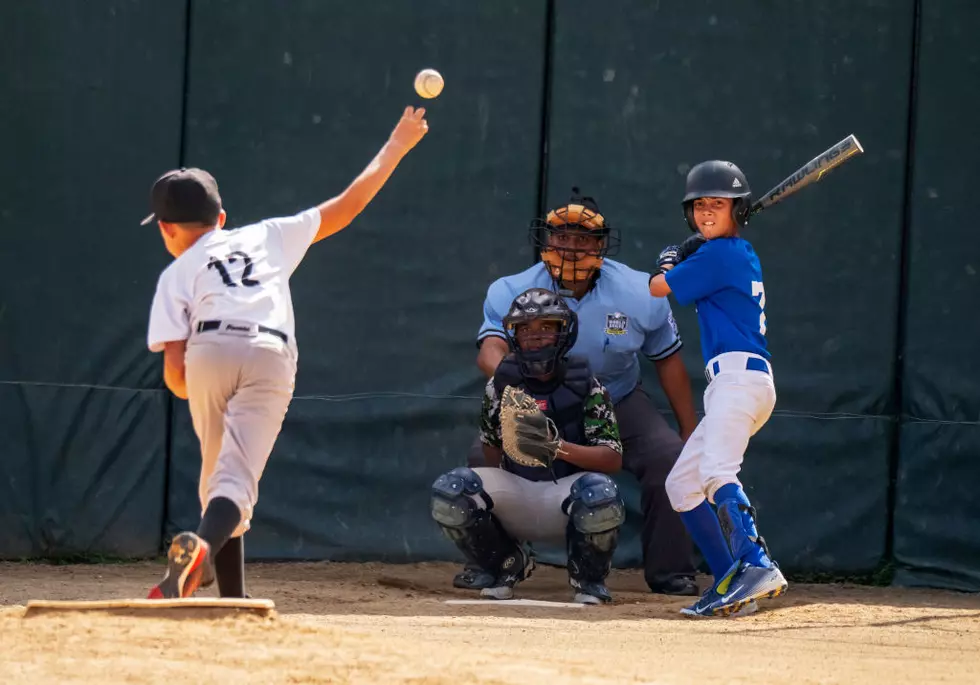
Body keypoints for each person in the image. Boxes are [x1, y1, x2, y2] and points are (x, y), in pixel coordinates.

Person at [143, 107, 429, 599]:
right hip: (268, 349)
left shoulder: (176, 274)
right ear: (222, 218)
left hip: (206, 351)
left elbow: (175, 374)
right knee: (234, 479)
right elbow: (348, 204)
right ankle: (224, 587)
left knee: (221, 479)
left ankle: (207, 562)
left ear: (166, 228)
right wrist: (398, 145)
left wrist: (203, 381)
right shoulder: (267, 234)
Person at [460, 188, 700, 596]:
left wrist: (689, 428)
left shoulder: (641, 292)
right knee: (477, 462)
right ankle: (495, 561)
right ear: (547, 240)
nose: (571, 247)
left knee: (670, 460)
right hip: (537, 397)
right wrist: (517, 379)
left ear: (601, 244)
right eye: (562, 236)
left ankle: (671, 570)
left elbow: (669, 361)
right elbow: (490, 349)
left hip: (616, 397)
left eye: (583, 238)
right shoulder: (511, 288)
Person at [649, 160, 788, 617]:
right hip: (737, 382)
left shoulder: (720, 254)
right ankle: (733, 577)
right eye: (701, 205)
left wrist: (672, 260)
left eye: (719, 204)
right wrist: (693, 254)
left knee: (716, 473)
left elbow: (658, 288)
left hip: (738, 380)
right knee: (682, 485)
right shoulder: (734, 252)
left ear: (738, 209)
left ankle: (756, 564)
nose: (708, 211)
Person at [431, 288, 626, 604]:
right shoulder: (501, 383)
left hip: (567, 494)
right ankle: (506, 562)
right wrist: (511, 435)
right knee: (451, 490)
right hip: (518, 490)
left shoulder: (585, 382)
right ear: (514, 335)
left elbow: (612, 457)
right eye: (524, 329)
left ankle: (587, 577)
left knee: (601, 494)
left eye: (545, 328)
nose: (534, 337)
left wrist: (555, 447)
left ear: (563, 331)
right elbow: (491, 454)